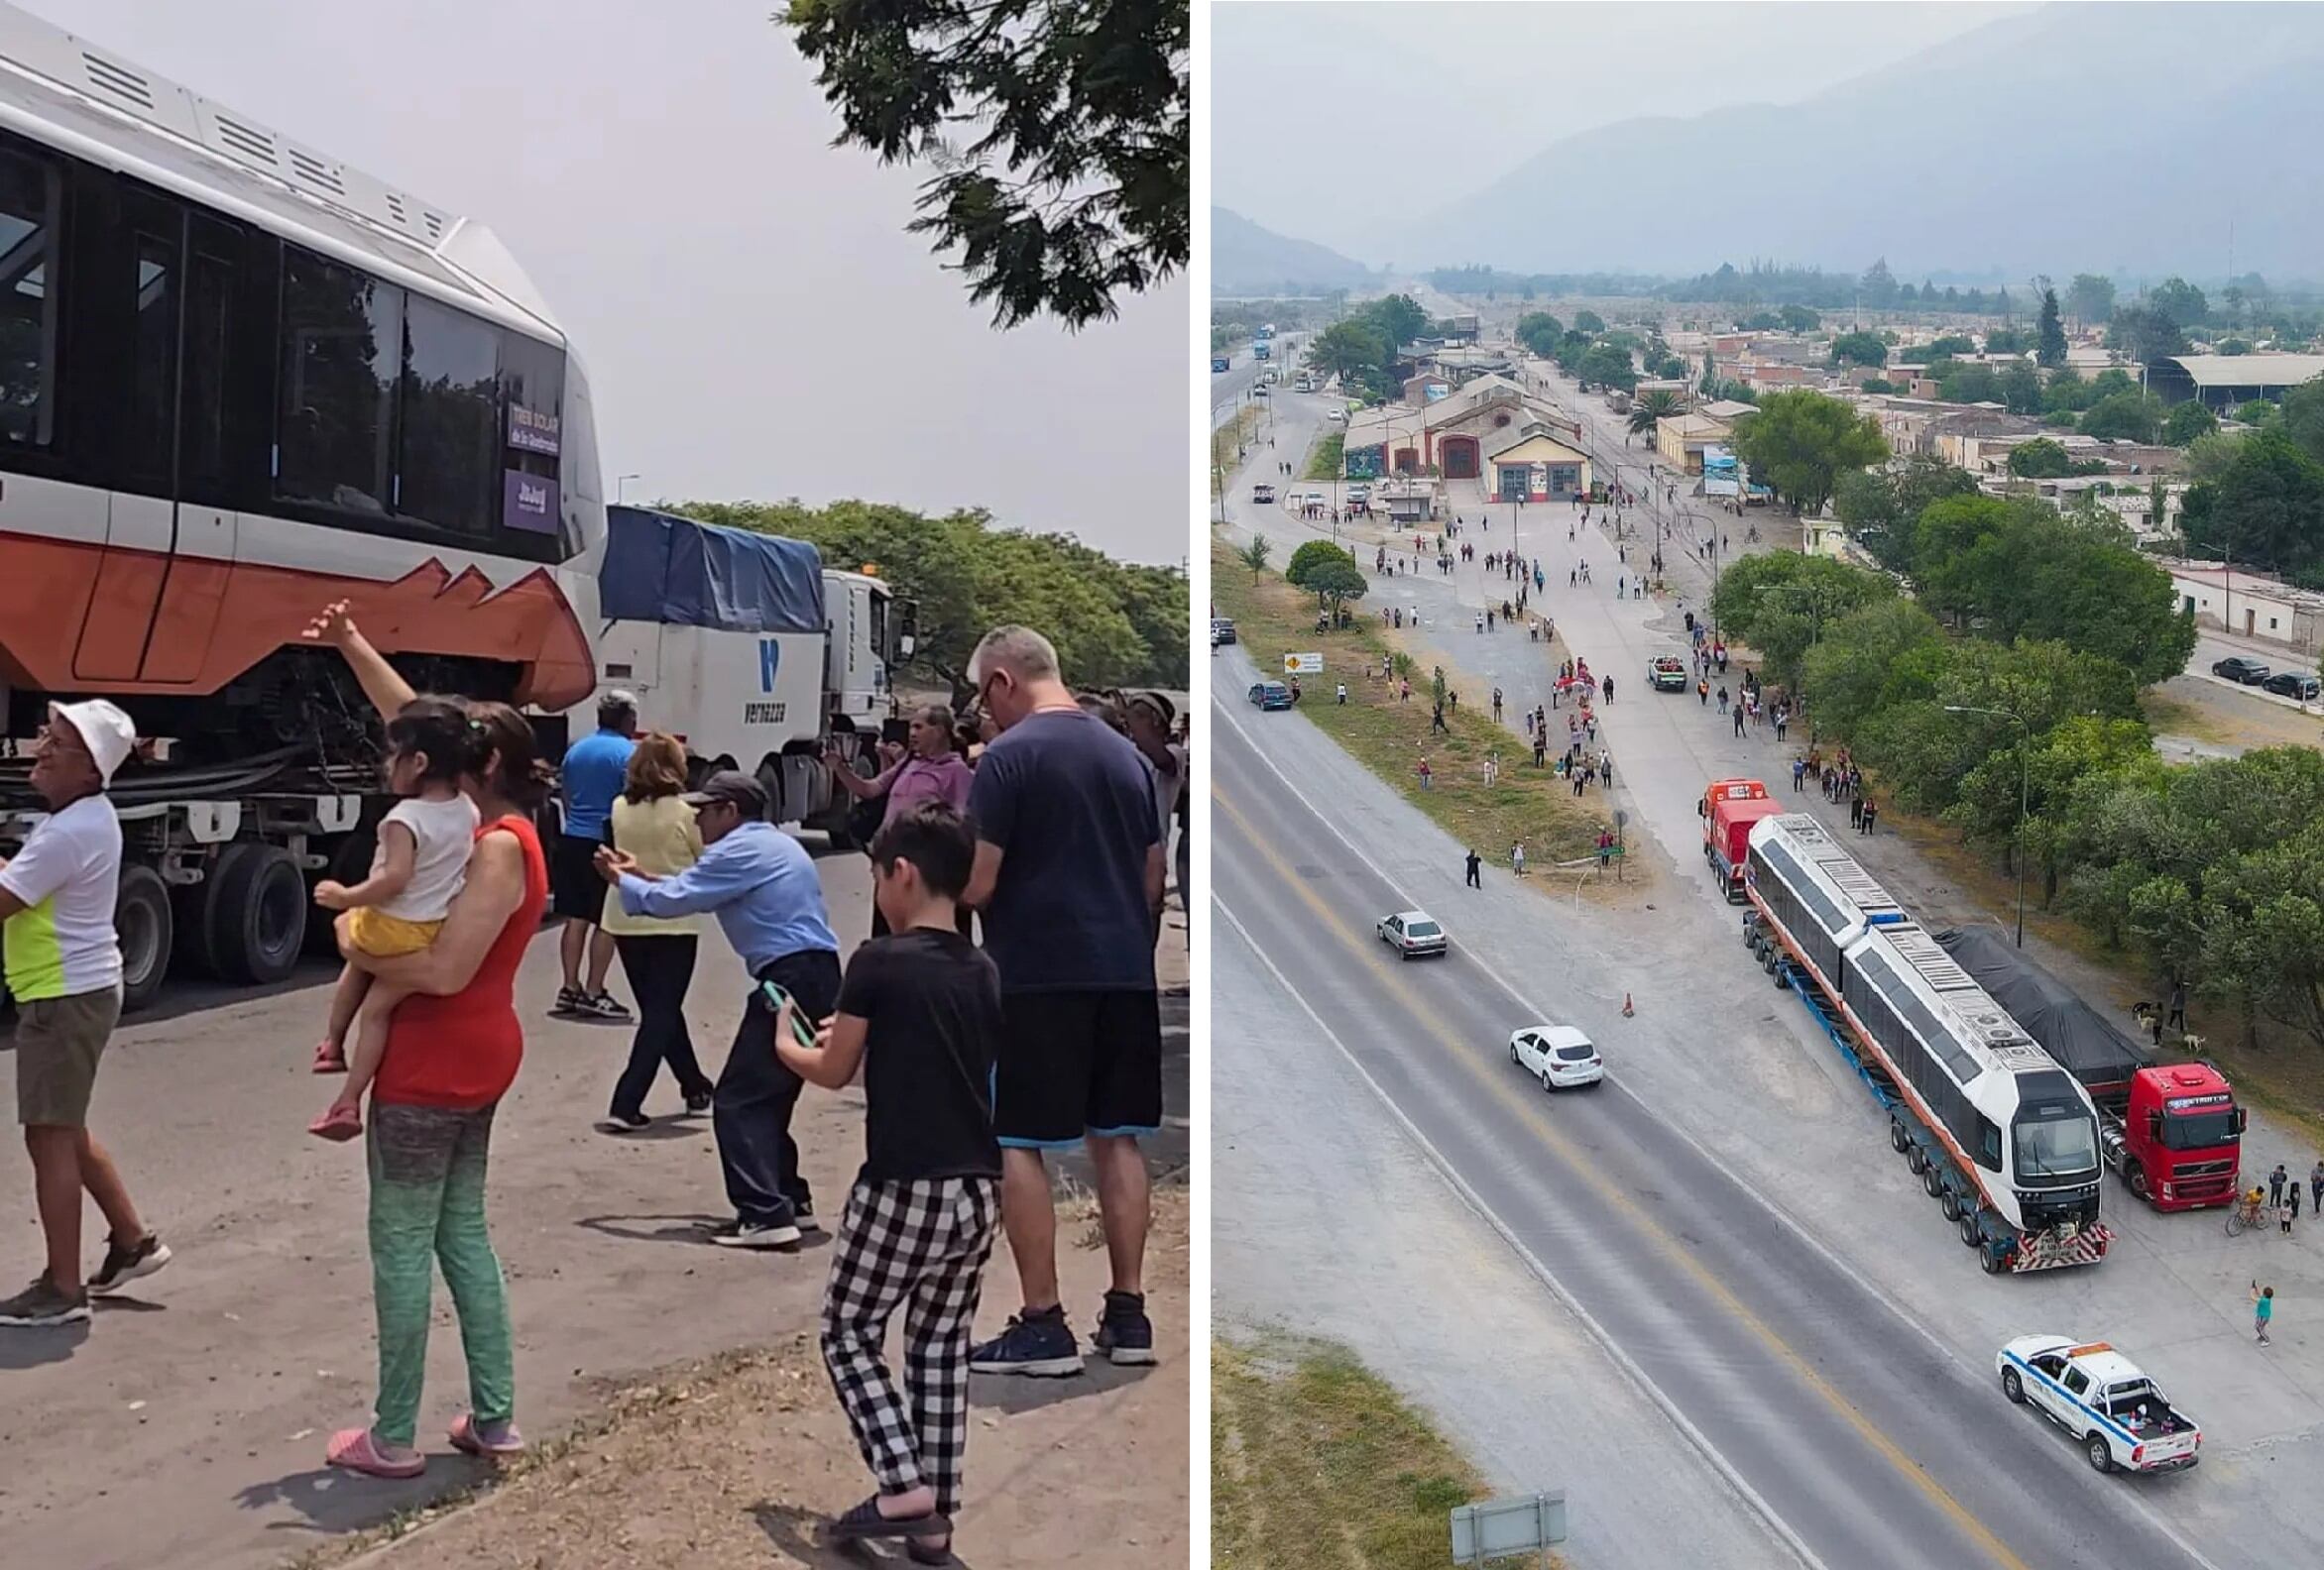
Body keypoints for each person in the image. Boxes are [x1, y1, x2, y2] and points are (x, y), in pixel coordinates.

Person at [302, 608, 552, 1477]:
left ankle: (391, 1435)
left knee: (403, 1244)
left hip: (435, 1057)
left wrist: (356, 948)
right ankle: (493, 1417)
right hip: (477, 1057)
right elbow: (413, 721)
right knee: (460, 1235)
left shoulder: (498, 850)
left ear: (472, 765)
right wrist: (353, 645)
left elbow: (443, 973)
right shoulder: (491, 829)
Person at [778, 805, 1002, 1563]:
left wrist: (790, 1047)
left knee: (848, 1330)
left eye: (878, 878)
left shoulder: (878, 960)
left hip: (904, 1180)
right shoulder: (983, 970)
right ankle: (935, 1518)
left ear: (900, 873)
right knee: (940, 1345)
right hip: (978, 1186)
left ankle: (901, 1483)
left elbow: (835, 1069)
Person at [960, 627, 1166, 1377]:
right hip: (1123, 972)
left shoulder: (1008, 761)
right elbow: (1152, 880)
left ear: (1004, 682)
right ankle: (1129, 1313)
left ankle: (1043, 1320)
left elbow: (979, 882)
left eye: (984, 696)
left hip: (1036, 972)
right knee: (1118, 1137)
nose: (985, 714)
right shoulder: (1130, 759)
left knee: (1019, 1141)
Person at [601, 771, 842, 1248]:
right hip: (813, 972)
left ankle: (764, 1213)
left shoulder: (738, 851)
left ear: (729, 812)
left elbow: (675, 901)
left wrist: (620, 882)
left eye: (703, 813)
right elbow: (696, 886)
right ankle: (788, 1199)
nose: (696, 822)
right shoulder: (768, 844)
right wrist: (638, 876)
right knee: (767, 1096)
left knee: (739, 1099)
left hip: (787, 976)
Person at [0, 700, 172, 1328]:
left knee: (47, 1137)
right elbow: (26, 882)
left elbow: (8, 899)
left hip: (62, 997)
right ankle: (132, 1241)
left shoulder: (70, 829)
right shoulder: (80, 819)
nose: (41, 748)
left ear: (92, 770)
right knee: (64, 1128)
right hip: (75, 991)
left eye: (58, 743)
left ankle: (62, 1290)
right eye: (46, 734)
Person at [305, 700, 482, 1141]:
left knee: (354, 946)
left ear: (418, 762)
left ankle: (332, 1043)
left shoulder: (403, 818)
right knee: (379, 1010)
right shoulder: (468, 810)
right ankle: (348, 1100)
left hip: (391, 925)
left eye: (393, 754)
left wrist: (344, 896)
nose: (387, 764)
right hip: (427, 931)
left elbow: (393, 878)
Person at [595, 734, 716, 1134]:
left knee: (660, 1011)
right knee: (662, 1012)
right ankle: (626, 1101)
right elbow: (703, 861)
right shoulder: (685, 813)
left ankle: (694, 1084)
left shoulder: (618, 808)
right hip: (674, 919)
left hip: (626, 915)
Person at [826, 707, 977, 940]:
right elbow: (870, 789)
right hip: (891, 864)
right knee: (885, 935)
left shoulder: (957, 772)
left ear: (938, 731)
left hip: (925, 871)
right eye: (911, 727)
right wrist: (839, 768)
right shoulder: (908, 763)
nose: (912, 733)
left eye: (919, 727)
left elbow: (960, 823)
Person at [551, 692, 639, 1022]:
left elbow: (567, 794)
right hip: (605, 843)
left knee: (575, 917)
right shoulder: (629, 755)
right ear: (628, 719)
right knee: (607, 920)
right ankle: (593, 990)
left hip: (573, 837)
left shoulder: (577, 751)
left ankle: (569, 988)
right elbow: (629, 801)